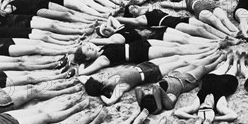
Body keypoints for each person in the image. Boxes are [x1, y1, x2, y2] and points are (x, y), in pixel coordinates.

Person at [79, 52, 218, 105]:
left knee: (176, 57)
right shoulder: (120, 86)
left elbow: (84, 78)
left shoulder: (107, 79)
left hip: (145, 66)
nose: (98, 74)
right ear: (100, 84)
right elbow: (110, 102)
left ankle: (203, 53)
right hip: (152, 73)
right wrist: (100, 96)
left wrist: (81, 70)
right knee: (182, 62)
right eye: (97, 77)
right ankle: (207, 57)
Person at [135, 54, 224, 114]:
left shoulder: (153, 94)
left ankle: (214, 54)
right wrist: (158, 108)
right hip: (186, 80)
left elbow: (138, 89)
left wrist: (141, 105)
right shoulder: (168, 102)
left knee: (193, 64)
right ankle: (219, 60)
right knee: (203, 68)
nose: (149, 91)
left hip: (172, 75)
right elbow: (156, 88)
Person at [73, 39, 217, 75]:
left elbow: (94, 42)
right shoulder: (102, 59)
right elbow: (83, 72)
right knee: (176, 50)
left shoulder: (102, 47)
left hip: (140, 44)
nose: (89, 47)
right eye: (87, 50)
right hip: (139, 53)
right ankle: (207, 51)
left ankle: (208, 45)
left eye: (87, 45)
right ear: (87, 58)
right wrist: (80, 65)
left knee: (174, 44)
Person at [174, 52, 239, 121]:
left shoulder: (197, 104)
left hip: (211, 79)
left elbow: (177, 112)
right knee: (232, 71)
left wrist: (195, 117)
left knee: (222, 67)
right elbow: (233, 115)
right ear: (213, 109)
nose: (206, 102)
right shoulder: (219, 106)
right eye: (208, 105)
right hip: (227, 82)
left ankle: (228, 61)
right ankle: (235, 61)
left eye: (202, 106)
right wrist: (215, 118)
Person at [116, 5, 230, 40]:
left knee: (205, 25)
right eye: (131, 9)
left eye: (133, 6)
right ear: (132, 15)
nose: (133, 7)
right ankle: (220, 40)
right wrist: (114, 18)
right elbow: (128, 20)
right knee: (199, 30)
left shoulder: (150, 8)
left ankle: (229, 37)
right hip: (171, 24)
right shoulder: (141, 19)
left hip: (177, 18)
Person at [159, 0, 239, 37]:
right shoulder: (183, 2)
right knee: (216, 21)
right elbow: (166, 4)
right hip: (200, 9)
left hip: (211, 5)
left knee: (224, 19)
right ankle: (230, 34)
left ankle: (238, 32)